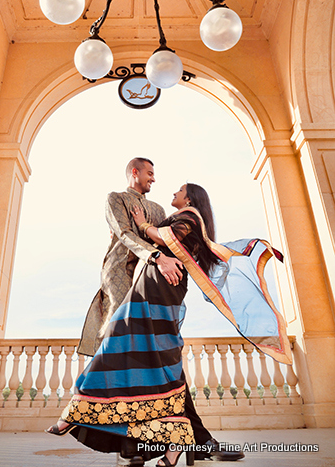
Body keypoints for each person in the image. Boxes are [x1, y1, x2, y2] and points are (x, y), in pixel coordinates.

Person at [45, 182, 290, 464]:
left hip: (161, 288)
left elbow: (168, 238)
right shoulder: (178, 216)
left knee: (147, 352)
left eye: (180, 189)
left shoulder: (189, 216)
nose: (173, 191)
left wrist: (144, 226)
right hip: (152, 287)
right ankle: (179, 444)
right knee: (154, 359)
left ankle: (84, 419)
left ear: (190, 198)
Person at [77, 157, 184, 357]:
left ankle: (139, 379)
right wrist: (157, 257)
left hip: (147, 272)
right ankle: (105, 375)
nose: (154, 179)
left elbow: (164, 239)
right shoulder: (116, 198)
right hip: (119, 268)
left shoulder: (158, 209)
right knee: (118, 319)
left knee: (147, 322)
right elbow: (125, 234)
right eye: (150, 173)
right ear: (135, 172)